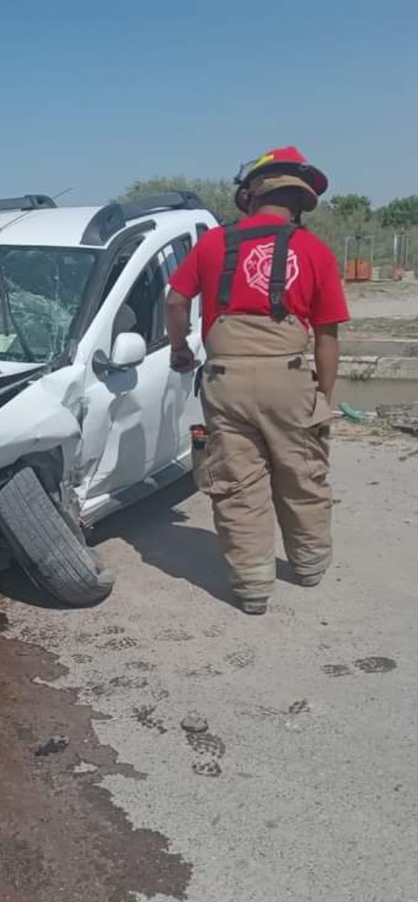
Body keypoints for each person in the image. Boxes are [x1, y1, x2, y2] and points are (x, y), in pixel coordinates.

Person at [164, 146, 349, 615]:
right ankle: (308, 566)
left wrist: (181, 349)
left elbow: (174, 300)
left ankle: (251, 588)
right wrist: (322, 399)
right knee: (301, 473)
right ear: (301, 202)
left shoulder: (212, 244)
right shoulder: (315, 251)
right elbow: (327, 337)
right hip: (289, 377)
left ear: (250, 195)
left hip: (226, 380)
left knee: (237, 484)